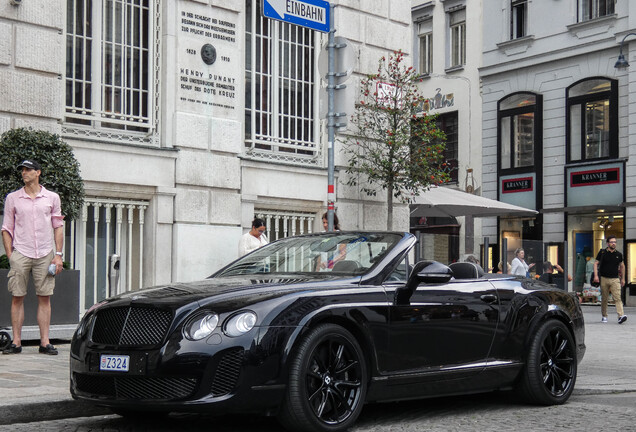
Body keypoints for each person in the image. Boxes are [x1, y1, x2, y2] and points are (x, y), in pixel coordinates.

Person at [2, 160, 64, 355]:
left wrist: (59, 255)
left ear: (38, 172)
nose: (24, 173)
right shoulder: (13, 198)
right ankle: (17, 342)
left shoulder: (52, 198)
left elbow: (58, 226)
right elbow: (6, 228)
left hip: (45, 253)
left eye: (28, 169)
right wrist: (11, 255)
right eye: (22, 170)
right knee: (17, 297)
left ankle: (45, 342)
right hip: (21, 251)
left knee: (45, 297)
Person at [593, 236, 627, 324]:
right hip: (604, 278)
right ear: (608, 243)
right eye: (612, 242)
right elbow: (596, 263)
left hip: (615, 279)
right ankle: (604, 316)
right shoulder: (602, 252)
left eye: (615, 242)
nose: (613, 243)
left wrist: (623, 278)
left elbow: (622, 266)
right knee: (604, 298)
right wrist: (596, 276)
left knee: (617, 297)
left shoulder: (618, 254)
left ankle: (621, 316)